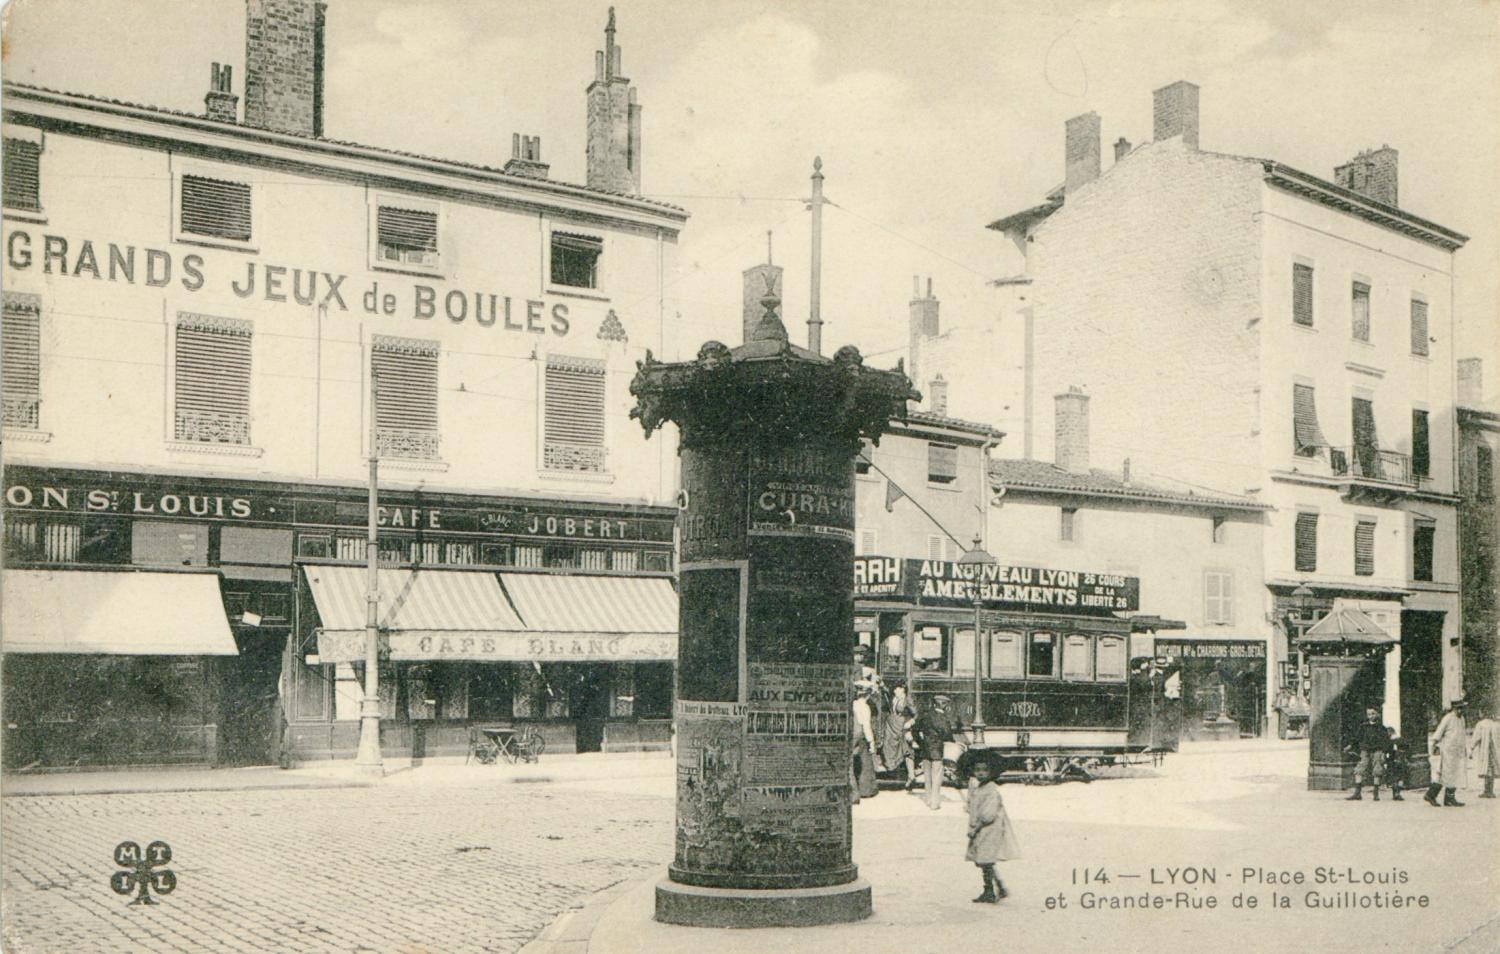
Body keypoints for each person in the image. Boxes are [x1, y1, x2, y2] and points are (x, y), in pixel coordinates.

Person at [965, 755, 1020, 903]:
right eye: (977, 770)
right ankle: (996, 888)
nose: (980, 773)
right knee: (985, 861)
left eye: (984, 770)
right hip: (983, 829)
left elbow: (988, 815)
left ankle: (992, 889)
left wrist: (975, 828)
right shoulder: (979, 789)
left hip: (989, 829)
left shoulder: (991, 791)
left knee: (985, 860)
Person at [1425, 697, 1469, 808]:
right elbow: (1438, 732)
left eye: (1462, 708)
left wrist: (1465, 748)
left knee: (1456, 774)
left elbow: (1462, 734)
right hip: (1447, 751)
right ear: (1453, 708)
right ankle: (1431, 795)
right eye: (1458, 709)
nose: (1460, 711)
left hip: (1458, 752)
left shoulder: (1462, 719)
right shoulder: (1448, 718)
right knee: (1445, 774)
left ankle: (1449, 799)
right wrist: (1434, 745)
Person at [911, 696, 953, 810]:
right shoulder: (943, 718)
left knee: (927, 777)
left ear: (934, 704)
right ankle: (934, 803)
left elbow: (914, 729)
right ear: (945, 705)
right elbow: (948, 735)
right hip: (937, 752)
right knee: (937, 778)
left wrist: (921, 742)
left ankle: (928, 799)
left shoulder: (925, 715)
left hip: (925, 750)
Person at [1345, 705, 1390, 801]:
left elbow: (1386, 741)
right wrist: (1350, 745)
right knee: (1360, 769)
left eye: (1373, 714)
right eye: (1369, 714)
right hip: (1365, 750)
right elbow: (1357, 738)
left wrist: (1384, 752)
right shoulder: (1363, 726)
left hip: (1378, 750)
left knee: (1377, 770)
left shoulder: (1382, 728)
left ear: (1378, 714)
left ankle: (1376, 793)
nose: (1371, 716)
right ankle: (1357, 793)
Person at [883, 680, 917, 790]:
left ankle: (911, 776)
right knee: (890, 747)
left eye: (897, 689)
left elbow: (916, 715)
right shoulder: (895, 699)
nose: (894, 691)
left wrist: (910, 722)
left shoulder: (907, 700)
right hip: (892, 728)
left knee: (906, 750)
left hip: (902, 728)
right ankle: (903, 772)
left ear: (902, 689)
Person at [851, 686, 879, 801]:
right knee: (865, 763)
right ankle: (866, 790)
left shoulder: (853, 704)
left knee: (855, 763)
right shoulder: (865, 707)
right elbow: (866, 726)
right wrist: (871, 741)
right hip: (861, 736)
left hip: (853, 735)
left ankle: (855, 788)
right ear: (867, 695)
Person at [1470, 707, 1500, 799]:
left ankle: (1487, 791)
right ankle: (1490, 790)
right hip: (1495, 750)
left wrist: (1471, 749)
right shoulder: (1497, 724)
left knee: (1487, 769)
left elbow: (1476, 738)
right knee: (1492, 768)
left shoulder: (1481, 724)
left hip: (1485, 750)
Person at [1384, 727, 1408, 801]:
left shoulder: (1390, 742)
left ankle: (1395, 794)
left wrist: (1386, 760)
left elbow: (1387, 752)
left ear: (1389, 733)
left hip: (1392, 761)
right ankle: (1398, 793)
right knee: (1401, 777)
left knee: (1393, 778)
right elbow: (1408, 749)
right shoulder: (1402, 740)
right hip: (1401, 760)